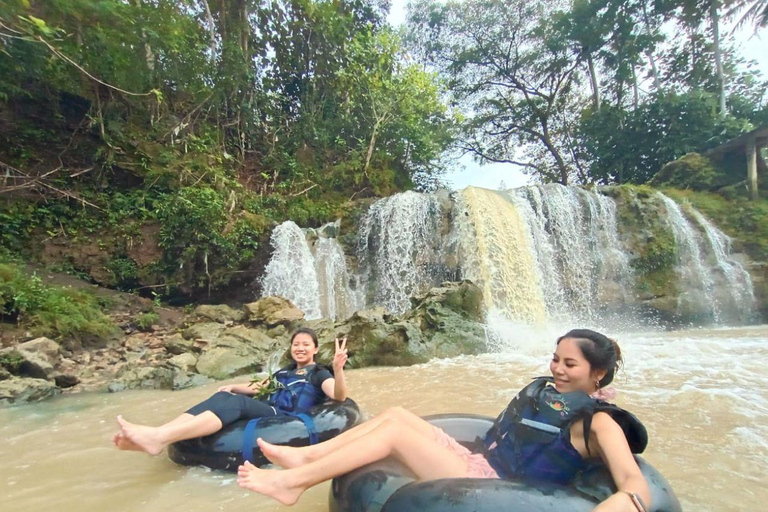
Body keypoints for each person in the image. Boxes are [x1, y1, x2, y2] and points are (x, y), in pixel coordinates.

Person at [236, 329, 652, 512]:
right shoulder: (545, 392)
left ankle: (292, 484)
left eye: (570, 364)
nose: (557, 369)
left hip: (503, 491)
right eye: (555, 359)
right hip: (485, 464)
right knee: (396, 414)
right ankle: (308, 458)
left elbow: (634, 484)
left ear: (597, 373)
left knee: (396, 432)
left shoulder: (600, 423)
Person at [113, 327, 349, 455]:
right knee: (223, 396)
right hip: (272, 409)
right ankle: (159, 434)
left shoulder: (319, 373)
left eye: (305, 344)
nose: (300, 348)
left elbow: (339, 396)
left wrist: (338, 369)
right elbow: (260, 387)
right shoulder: (284, 372)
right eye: (296, 344)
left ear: (315, 349)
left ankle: (159, 438)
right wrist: (234, 386)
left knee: (238, 403)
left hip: (288, 418)